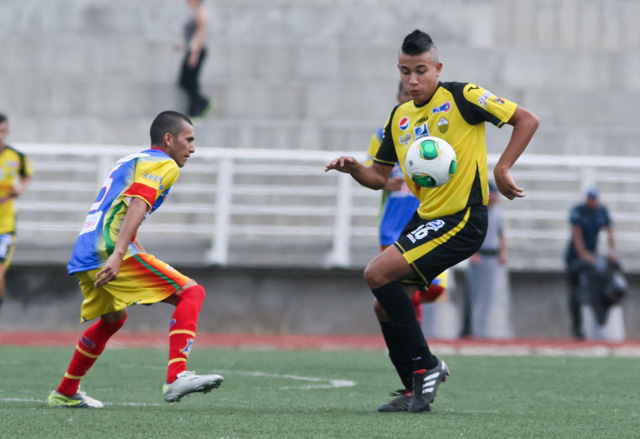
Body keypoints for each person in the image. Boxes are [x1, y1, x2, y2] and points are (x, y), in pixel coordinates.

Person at [326, 30, 538, 413]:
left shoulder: (462, 96)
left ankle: (427, 365)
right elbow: (379, 177)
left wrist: (503, 168)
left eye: (420, 70)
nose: (412, 80)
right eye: (405, 71)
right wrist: (355, 169)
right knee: (385, 306)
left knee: (376, 274)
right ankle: (413, 390)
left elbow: (526, 119)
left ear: (437, 68)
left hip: (463, 218)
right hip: (425, 218)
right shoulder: (400, 117)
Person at [47, 111, 223, 408]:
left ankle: (65, 391)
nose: (192, 148)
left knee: (113, 319)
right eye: (189, 140)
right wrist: (118, 254)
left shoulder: (131, 160)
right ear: (169, 139)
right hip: (108, 249)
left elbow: (116, 206)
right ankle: (176, 375)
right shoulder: (165, 164)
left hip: (86, 249)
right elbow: (138, 202)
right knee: (192, 292)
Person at [564, 188, 617, 339]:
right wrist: (583, 254)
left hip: (592, 257)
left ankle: (599, 324)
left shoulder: (601, 211)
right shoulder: (579, 211)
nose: (592, 202)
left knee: (598, 288)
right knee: (575, 293)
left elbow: (609, 232)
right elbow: (577, 233)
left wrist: (612, 252)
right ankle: (577, 327)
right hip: (574, 258)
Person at [463, 181, 510, 338]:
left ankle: (483, 330)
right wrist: (472, 253)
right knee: (475, 296)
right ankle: (472, 330)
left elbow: (501, 234)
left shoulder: (497, 212)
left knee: (488, 296)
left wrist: (503, 252)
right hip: (479, 255)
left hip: (492, 256)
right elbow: (469, 235)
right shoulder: (477, 212)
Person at [0, 113, 33, 314]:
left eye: (2, 131)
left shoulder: (16, 156)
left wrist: (20, 188)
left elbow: (26, 174)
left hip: (5, 227)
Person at [178, 0, 211, 118]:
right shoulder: (194, 12)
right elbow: (191, 35)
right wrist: (183, 46)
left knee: (191, 81)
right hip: (191, 50)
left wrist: (194, 54)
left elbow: (201, 34)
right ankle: (202, 102)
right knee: (184, 81)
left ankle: (195, 109)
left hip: (196, 51)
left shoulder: (201, 12)